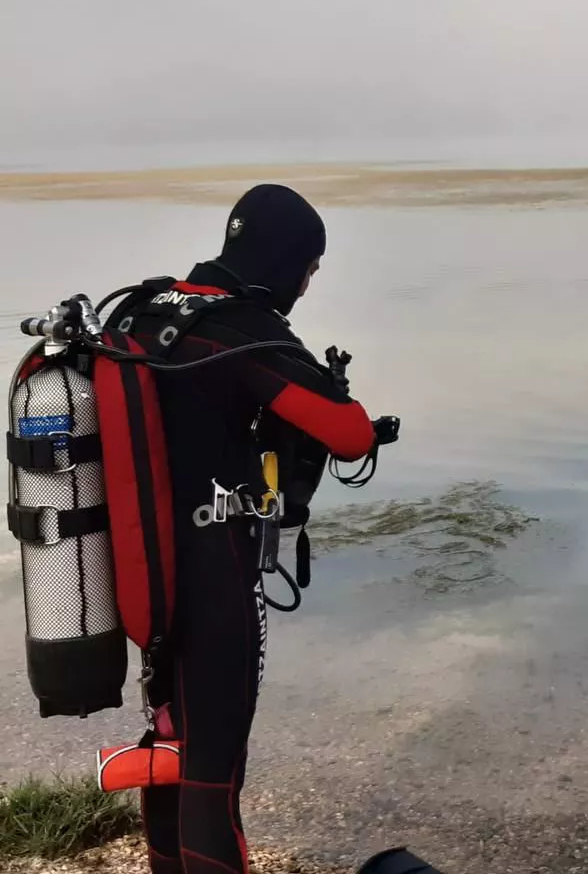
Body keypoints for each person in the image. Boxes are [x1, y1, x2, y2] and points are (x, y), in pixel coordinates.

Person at [103, 184, 398, 874]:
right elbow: (349, 434)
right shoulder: (244, 328)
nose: (307, 282)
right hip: (213, 575)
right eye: (310, 268)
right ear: (287, 258)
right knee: (213, 770)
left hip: (142, 572)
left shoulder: (147, 309)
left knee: (168, 739)